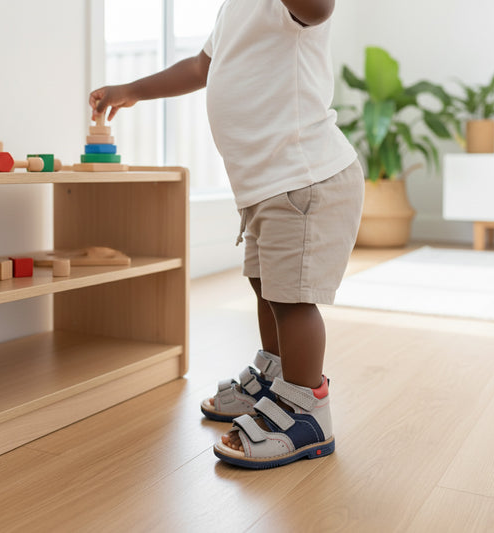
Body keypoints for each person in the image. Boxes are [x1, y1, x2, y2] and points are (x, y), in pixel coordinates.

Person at [90, 0, 364, 470]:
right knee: (268, 287)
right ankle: (277, 378)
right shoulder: (233, 8)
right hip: (266, 183)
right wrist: (132, 88)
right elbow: (201, 66)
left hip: (304, 175)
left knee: (294, 299)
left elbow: (318, 9)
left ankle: (306, 408)